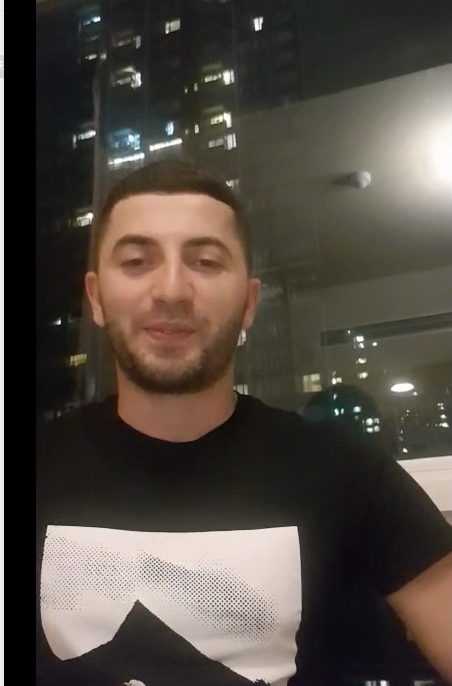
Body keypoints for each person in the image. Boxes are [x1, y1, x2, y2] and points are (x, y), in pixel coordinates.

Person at [36, 158, 452, 686]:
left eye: (205, 262)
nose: (171, 289)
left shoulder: (346, 473)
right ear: (96, 298)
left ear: (249, 303)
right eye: (137, 261)